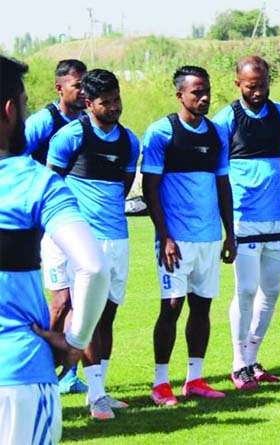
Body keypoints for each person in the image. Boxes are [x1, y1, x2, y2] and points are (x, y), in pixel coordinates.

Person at [0, 55, 108, 444]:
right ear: (11, 111)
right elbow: (94, 268)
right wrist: (76, 342)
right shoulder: (34, 182)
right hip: (18, 373)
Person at [46, 68, 139, 419]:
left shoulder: (131, 141)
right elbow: (51, 186)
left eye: (117, 99)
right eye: (106, 102)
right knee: (80, 313)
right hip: (81, 241)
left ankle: (99, 387)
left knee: (108, 316)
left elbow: (125, 185)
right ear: (88, 103)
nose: (115, 106)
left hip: (118, 238)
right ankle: (94, 393)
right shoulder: (70, 137)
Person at [141, 65, 236, 406]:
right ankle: (160, 382)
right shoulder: (161, 133)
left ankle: (194, 379)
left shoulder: (217, 133)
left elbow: (223, 185)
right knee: (172, 306)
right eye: (197, 92)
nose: (204, 97)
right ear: (180, 94)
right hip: (175, 241)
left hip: (209, 237)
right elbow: (150, 190)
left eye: (207, 90)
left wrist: (230, 234)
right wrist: (164, 236)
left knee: (202, 307)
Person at [212, 56, 280, 390]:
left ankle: (252, 358)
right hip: (243, 221)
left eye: (262, 85)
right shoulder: (225, 119)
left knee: (271, 291)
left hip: (277, 218)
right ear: (238, 84)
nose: (258, 91)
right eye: (251, 86)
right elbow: (219, 169)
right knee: (245, 291)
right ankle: (237, 364)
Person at [23, 58, 90, 395]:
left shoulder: (85, 122)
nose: (82, 91)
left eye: (85, 85)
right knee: (58, 301)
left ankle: (68, 374)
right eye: (77, 85)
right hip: (34, 224)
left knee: (77, 301)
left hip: (67, 222)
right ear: (59, 88)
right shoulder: (42, 122)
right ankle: (38, 366)